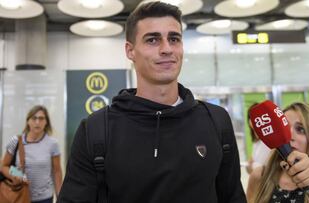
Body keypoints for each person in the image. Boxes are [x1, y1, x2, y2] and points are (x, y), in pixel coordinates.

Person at [58, 2, 246, 203]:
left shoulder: (215, 120)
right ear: (130, 51)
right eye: (153, 40)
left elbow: (233, 196)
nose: (166, 49)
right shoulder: (96, 130)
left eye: (174, 39)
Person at [0, 105, 63, 203]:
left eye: (41, 118)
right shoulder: (16, 141)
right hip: (19, 195)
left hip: (44, 199)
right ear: (28, 121)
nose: (37, 122)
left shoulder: (52, 144)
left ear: (46, 122)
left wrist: (60, 197)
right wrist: (17, 175)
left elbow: (57, 172)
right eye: (34, 118)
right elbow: (4, 166)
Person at [246, 103, 271, 174]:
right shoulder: (256, 141)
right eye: (251, 117)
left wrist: (252, 166)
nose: (255, 121)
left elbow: (267, 169)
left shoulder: (270, 141)